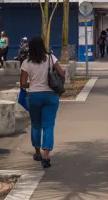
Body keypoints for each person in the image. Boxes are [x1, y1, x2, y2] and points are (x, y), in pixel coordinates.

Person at [20, 36, 64, 169]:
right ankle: (46, 155)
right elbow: (61, 73)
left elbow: (22, 83)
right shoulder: (51, 58)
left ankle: (37, 152)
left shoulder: (26, 63)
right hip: (51, 95)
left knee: (36, 124)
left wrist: (33, 83)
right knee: (49, 125)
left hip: (34, 96)